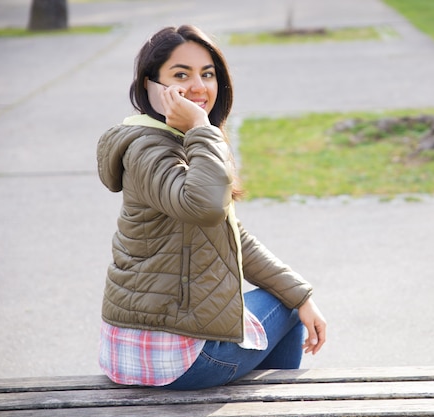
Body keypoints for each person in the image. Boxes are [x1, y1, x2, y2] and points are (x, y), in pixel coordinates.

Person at [96, 25, 326, 390]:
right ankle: (285, 404)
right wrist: (202, 127)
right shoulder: (148, 148)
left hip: (153, 349)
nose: (198, 87)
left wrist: (301, 293)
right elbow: (204, 207)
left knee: (290, 298)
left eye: (207, 74)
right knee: (285, 309)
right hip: (173, 358)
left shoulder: (180, 141)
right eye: (180, 75)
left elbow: (233, 237)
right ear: (149, 86)